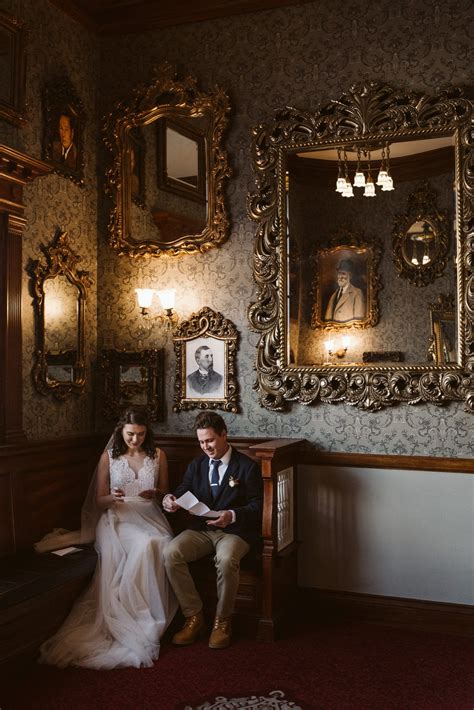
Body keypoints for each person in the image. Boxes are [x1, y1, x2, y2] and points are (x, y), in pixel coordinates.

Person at [38, 408, 177, 669]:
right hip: (118, 517)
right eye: (130, 434)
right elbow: (99, 500)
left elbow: (164, 492)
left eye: (140, 434)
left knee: (162, 542)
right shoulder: (109, 457)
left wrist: (155, 493)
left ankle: (149, 612)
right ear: (120, 431)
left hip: (149, 514)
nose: (135, 439)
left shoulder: (158, 455)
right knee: (146, 545)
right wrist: (114, 496)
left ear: (147, 433)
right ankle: (135, 616)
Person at [163, 411, 263, 649]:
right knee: (170, 553)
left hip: (235, 532)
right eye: (201, 442)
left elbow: (258, 505)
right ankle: (194, 616)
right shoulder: (197, 465)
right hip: (201, 530)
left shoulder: (246, 466)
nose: (205, 446)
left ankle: (222, 620)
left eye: (210, 440)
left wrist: (232, 515)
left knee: (227, 559)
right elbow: (183, 489)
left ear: (224, 435)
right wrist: (170, 499)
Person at [324, 258, 365, 323]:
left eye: (343, 273)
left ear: (350, 275)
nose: (340, 276)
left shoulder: (357, 293)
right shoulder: (334, 295)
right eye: (339, 273)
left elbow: (359, 321)